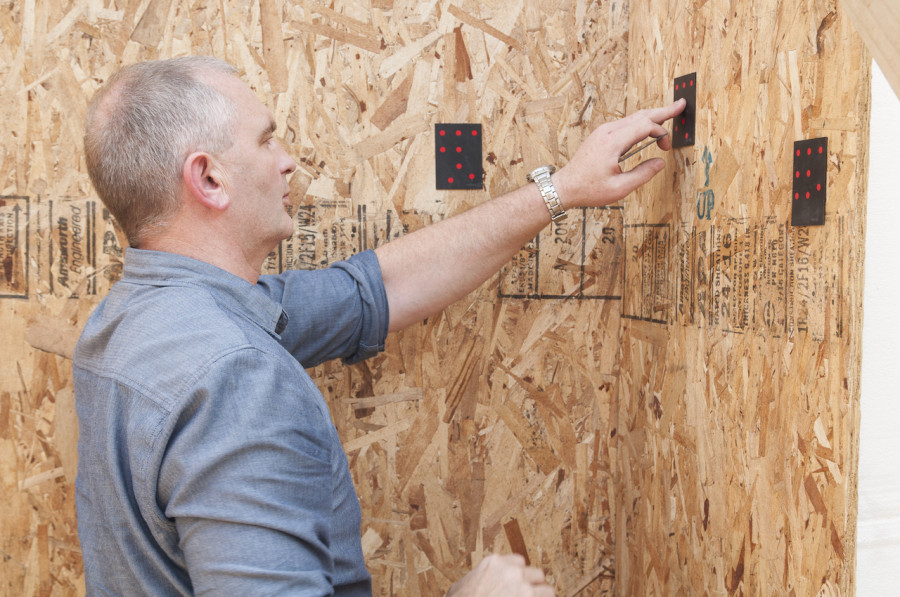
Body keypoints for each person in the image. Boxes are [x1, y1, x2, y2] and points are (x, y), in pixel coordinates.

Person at [75, 56, 684, 596]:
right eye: (266, 142)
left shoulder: (131, 322)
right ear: (208, 178)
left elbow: (378, 288)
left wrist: (564, 189)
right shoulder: (235, 377)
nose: (288, 162)